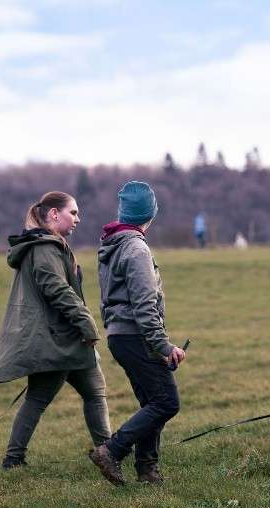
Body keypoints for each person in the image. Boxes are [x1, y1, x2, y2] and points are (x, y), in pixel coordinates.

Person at [0, 191, 110, 470]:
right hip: (57, 340)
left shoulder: (50, 245)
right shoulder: (45, 248)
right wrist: (86, 323)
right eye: (73, 212)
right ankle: (13, 460)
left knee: (95, 392)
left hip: (69, 338)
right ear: (54, 213)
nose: (78, 219)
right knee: (39, 398)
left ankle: (108, 452)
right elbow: (57, 289)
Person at [89, 181, 187, 486]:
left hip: (120, 336)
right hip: (137, 336)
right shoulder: (136, 248)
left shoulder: (113, 244)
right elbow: (144, 306)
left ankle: (147, 469)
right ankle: (112, 451)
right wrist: (163, 346)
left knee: (152, 403)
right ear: (150, 214)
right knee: (166, 403)